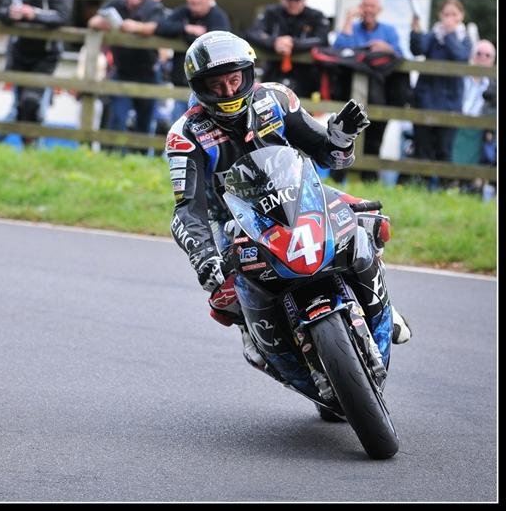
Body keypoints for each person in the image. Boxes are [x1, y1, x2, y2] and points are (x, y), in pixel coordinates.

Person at [165, 31, 411, 392]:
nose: (229, 91)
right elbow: (187, 209)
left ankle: (381, 308)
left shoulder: (276, 98)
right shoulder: (185, 134)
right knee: (223, 290)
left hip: (299, 193)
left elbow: (329, 155)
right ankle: (252, 331)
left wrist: (340, 139)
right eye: (216, 85)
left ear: (248, 74)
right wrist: (205, 258)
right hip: (232, 218)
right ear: (199, 87)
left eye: (234, 80)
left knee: (366, 220)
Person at [330, 0, 411, 183]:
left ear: (379, 10)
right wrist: (349, 19)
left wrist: (386, 48)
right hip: (350, 92)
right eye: (365, 6)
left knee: (374, 139)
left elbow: (400, 57)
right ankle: (337, 180)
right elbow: (338, 49)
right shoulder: (353, 28)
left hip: (379, 94)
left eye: (372, 6)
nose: (368, 10)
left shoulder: (388, 31)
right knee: (344, 136)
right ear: (360, 8)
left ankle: (369, 180)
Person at [408, 0, 472, 189]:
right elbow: (418, 49)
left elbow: (460, 57)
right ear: (439, 15)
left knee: (445, 149)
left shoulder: (465, 39)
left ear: (461, 16)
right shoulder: (432, 35)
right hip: (426, 99)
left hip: (450, 102)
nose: (449, 18)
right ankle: (423, 187)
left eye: (454, 14)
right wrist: (417, 31)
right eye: (446, 14)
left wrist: (450, 33)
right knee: (423, 148)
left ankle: (445, 188)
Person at [88, 0, 166, 152]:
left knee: (144, 122)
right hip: (122, 71)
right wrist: (105, 23)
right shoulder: (115, 3)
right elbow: (93, 22)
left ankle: (139, 159)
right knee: (117, 118)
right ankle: (114, 156)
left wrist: (137, 27)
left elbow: (160, 27)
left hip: (148, 72)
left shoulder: (153, 7)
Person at [0, 0, 73, 147]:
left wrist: (34, 14)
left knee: (33, 102)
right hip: (19, 54)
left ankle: (34, 146)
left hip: (46, 56)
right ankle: (26, 145)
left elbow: (62, 16)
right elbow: (1, 11)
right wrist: (10, 14)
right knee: (20, 106)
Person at [152, 0, 231, 124]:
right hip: (181, 83)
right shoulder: (183, 12)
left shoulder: (218, 17)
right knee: (180, 126)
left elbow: (218, 43)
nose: (194, 0)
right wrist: (185, 28)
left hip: (207, 88)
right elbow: (160, 27)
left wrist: (185, 36)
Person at [244, 0, 330, 99]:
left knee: (301, 105)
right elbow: (252, 32)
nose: (293, 4)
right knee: (269, 101)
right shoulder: (271, 12)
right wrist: (274, 42)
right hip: (274, 68)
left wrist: (294, 43)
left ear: (304, 0)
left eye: (297, 0)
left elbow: (322, 39)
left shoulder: (316, 16)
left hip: (305, 73)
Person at [451, 39, 496, 194]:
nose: (482, 57)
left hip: (480, 131)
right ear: (472, 56)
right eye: (478, 53)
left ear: (493, 61)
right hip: (454, 124)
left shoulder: (494, 84)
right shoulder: (458, 78)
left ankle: (474, 186)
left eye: (487, 55)